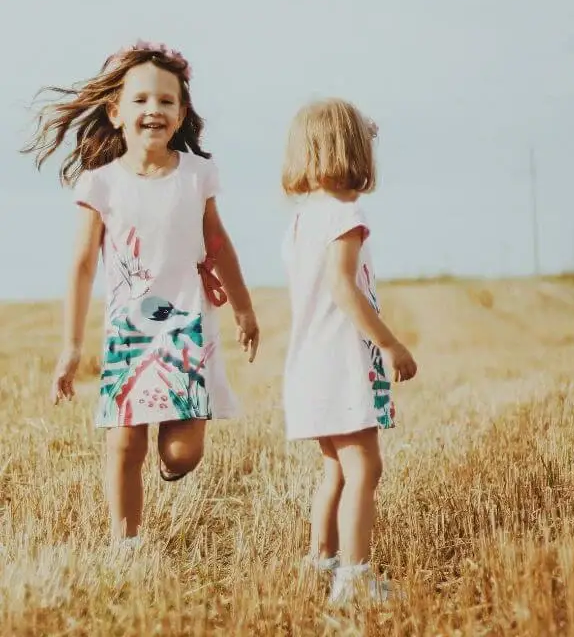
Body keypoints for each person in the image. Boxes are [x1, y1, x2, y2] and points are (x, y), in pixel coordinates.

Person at [22, 40, 260, 545]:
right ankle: (125, 544)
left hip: (188, 329)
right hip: (128, 332)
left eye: (167, 101)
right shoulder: (100, 184)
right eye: (141, 100)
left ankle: (172, 466)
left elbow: (218, 245)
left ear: (181, 114)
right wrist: (70, 347)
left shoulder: (197, 175)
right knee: (125, 445)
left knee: (181, 454)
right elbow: (83, 266)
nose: (154, 109)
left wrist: (244, 308)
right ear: (115, 112)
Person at [280, 98, 418, 605]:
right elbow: (343, 287)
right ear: (352, 152)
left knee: (336, 468)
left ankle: (321, 563)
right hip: (341, 363)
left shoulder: (303, 219)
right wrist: (390, 342)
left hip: (310, 364)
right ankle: (354, 579)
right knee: (364, 469)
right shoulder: (346, 215)